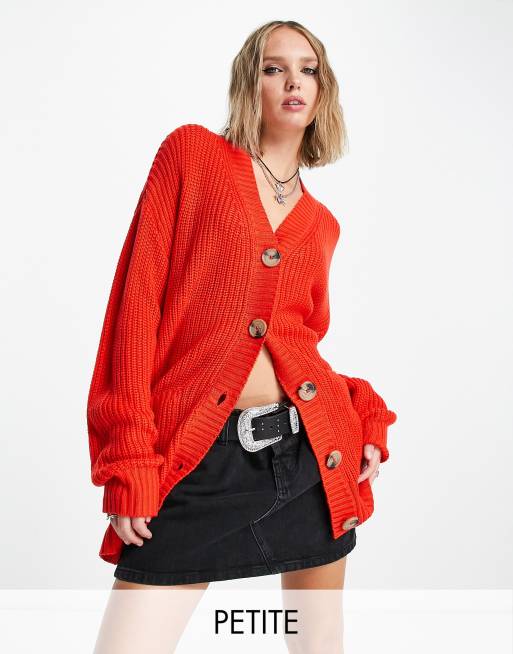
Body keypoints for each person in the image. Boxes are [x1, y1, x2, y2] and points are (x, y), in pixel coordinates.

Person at [87, 19, 397, 653]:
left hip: (307, 461)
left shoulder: (320, 224)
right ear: (248, 84)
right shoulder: (192, 157)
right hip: (198, 460)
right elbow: (134, 314)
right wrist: (130, 464)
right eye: (273, 68)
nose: (293, 82)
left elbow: (296, 346)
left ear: (324, 90)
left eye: (308, 70)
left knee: (318, 646)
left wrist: (360, 407)